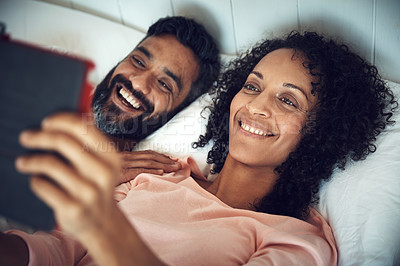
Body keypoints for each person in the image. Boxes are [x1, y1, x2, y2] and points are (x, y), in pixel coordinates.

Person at [1, 31, 396, 265]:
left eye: (288, 100)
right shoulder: (157, 175)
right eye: (253, 87)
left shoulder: (296, 241)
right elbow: (55, 249)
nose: (256, 106)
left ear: (324, 131)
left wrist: (107, 230)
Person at [90, 16, 220, 181]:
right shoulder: (53, 91)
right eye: (138, 61)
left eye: (164, 85)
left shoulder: (140, 185)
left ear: (179, 110)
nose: (138, 83)